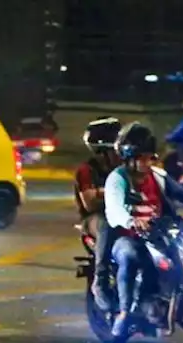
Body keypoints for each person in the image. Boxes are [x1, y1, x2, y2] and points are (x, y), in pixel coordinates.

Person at [103, 122, 183, 337]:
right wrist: (131, 221)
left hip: (158, 233)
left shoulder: (158, 176)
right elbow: (115, 209)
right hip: (128, 236)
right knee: (129, 255)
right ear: (128, 158)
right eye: (141, 158)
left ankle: (174, 299)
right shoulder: (117, 179)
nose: (146, 163)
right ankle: (125, 313)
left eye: (149, 157)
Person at [75, 117, 123, 310]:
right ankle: (101, 279)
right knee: (107, 223)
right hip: (95, 219)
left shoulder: (128, 168)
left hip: (127, 216)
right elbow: (90, 203)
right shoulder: (86, 170)